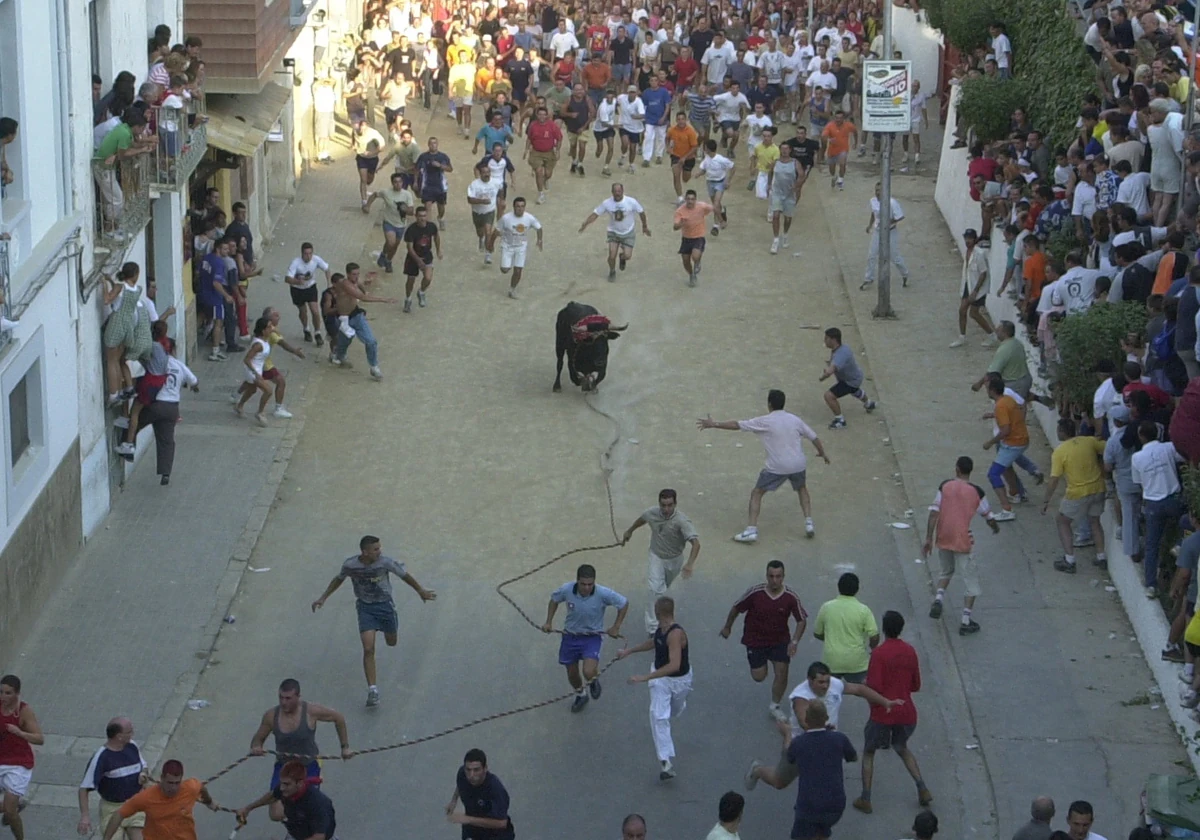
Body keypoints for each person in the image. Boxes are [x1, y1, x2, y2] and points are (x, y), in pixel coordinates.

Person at [311, 535, 437, 707]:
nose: (380, 551)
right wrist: (323, 598)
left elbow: (404, 575)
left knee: (391, 642)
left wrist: (420, 590)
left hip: (385, 606)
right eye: (376, 549)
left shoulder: (385, 563)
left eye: (379, 548)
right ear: (365, 552)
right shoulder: (350, 565)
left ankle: (387, 630)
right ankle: (373, 690)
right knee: (368, 648)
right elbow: (339, 579)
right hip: (365, 608)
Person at [697, 389, 830, 542]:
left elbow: (737, 425)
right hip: (798, 464)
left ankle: (751, 530)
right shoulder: (795, 419)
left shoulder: (765, 421)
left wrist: (714, 424)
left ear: (769, 404)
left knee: (757, 493)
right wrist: (822, 453)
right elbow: (814, 437)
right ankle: (809, 523)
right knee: (802, 489)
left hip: (778, 467)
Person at [852, 611, 932, 814]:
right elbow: (915, 685)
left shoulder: (879, 653)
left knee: (869, 752)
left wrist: (863, 685)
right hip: (906, 713)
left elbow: (875, 687)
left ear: (884, 629)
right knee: (902, 747)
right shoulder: (910, 651)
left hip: (882, 714)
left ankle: (866, 797)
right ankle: (922, 788)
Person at [248, 679, 352, 822]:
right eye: (281, 697)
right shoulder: (271, 716)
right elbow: (257, 739)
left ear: (298, 697)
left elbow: (338, 718)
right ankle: (296, 822)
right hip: (284, 768)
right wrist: (256, 747)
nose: (284, 702)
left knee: (308, 806)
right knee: (276, 814)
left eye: (288, 698)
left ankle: (301, 828)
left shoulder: (310, 711)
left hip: (308, 766)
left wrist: (345, 747)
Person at [720, 560, 807, 722]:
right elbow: (736, 608)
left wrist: (794, 641)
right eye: (771, 576)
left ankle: (775, 706)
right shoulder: (755, 593)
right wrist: (727, 627)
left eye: (778, 576)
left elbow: (801, 620)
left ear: (783, 577)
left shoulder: (790, 597)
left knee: (782, 672)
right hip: (755, 640)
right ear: (766, 576)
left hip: (779, 641)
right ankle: (762, 666)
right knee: (759, 676)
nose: (775, 580)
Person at [923, 456, 1001, 634]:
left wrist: (928, 538)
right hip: (963, 539)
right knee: (970, 581)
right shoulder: (977, 492)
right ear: (970, 471)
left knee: (946, 571)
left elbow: (934, 513)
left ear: (957, 469)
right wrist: (995, 528)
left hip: (943, 535)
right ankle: (966, 621)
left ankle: (939, 598)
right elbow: (988, 516)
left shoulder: (945, 486)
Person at [617, 596, 692, 781]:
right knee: (659, 716)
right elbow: (654, 642)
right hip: (661, 679)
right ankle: (665, 762)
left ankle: (679, 705)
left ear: (659, 613)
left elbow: (674, 665)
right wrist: (629, 651)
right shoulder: (662, 628)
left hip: (679, 681)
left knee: (674, 710)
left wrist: (645, 677)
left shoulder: (675, 634)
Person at [542, 563, 629, 712]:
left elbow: (623, 603)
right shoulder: (566, 590)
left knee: (588, 671)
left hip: (592, 637)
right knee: (572, 673)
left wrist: (616, 626)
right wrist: (548, 621)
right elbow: (554, 600)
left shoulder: (603, 593)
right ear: (577, 581)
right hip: (570, 636)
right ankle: (581, 694)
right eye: (583, 584)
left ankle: (593, 681)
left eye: (590, 584)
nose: (587, 588)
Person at [622, 489, 701, 635]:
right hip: (656, 556)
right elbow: (642, 519)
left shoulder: (682, 521)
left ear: (675, 504)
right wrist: (630, 531)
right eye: (663, 505)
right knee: (654, 590)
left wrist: (689, 564)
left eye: (670, 505)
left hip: (675, 560)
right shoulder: (652, 512)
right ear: (659, 503)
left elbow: (696, 543)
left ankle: (660, 615)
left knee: (662, 589)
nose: (666, 509)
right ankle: (653, 628)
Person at [1043, 418, 1108, 575]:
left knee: (1062, 521)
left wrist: (1046, 500)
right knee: (1095, 521)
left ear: (1062, 432)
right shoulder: (1089, 441)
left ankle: (1069, 560)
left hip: (1077, 493)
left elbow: (1054, 479)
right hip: (1098, 488)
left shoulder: (1060, 452)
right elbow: (1107, 448)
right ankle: (1101, 557)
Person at [786, 701, 857, 840]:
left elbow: (789, 757)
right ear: (826, 718)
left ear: (806, 719)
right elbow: (853, 757)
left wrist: (787, 733)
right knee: (822, 832)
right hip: (835, 805)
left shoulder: (799, 743)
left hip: (809, 806)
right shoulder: (839, 738)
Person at [102, 760, 218, 840]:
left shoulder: (190, 788)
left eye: (177, 783)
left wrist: (209, 802)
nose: (173, 788)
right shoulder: (146, 797)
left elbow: (201, 788)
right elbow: (119, 814)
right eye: (170, 782)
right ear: (161, 778)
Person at [78, 718, 148, 840]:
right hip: (112, 809)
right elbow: (84, 789)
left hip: (135, 804)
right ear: (119, 736)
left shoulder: (132, 746)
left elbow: (144, 767)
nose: (132, 734)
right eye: (129, 732)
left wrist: (143, 774)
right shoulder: (101, 757)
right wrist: (85, 816)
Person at [235, 759, 336, 840]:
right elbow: (272, 796)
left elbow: (319, 837)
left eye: (286, 784)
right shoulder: (286, 790)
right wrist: (248, 808)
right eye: (282, 783)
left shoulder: (317, 804)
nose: (282, 788)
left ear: (300, 783)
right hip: (297, 832)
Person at [578, 182, 651, 281]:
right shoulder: (607, 203)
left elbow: (641, 213)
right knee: (611, 256)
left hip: (628, 232)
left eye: (619, 191)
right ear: (612, 192)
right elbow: (595, 214)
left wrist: (645, 226)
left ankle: (622, 257)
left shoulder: (631, 202)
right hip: (613, 232)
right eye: (615, 191)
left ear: (623, 191)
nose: (617, 193)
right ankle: (612, 271)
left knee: (628, 256)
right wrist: (585, 223)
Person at [812, 573, 878, 683]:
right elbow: (874, 636)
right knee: (867, 692)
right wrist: (873, 648)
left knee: (828, 693)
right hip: (857, 662)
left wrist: (830, 638)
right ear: (857, 589)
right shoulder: (863, 610)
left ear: (838, 587)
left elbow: (817, 633)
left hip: (831, 661)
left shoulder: (827, 607)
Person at [0, 676, 40, 840]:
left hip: (18, 763)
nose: (3, 697)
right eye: (1, 692)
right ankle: (14, 804)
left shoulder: (23, 711)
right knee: (9, 807)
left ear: (17, 694)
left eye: (8, 693)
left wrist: (20, 733)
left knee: (10, 812)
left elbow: (39, 738)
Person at [445, 749, 515, 840]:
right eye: (468, 770)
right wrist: (453, 801)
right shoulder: (462, 774)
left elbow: (502, 823)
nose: (471, 775)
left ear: (485, 768)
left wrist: (467, 819)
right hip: (472, 829)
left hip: (495, 834)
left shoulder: (495, 788)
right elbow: (460, 784)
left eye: (476, 770)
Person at [819, 328, 875, 429]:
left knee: (829, 396)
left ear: (833, 340)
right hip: (854, 377)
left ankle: (840, 420)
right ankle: (868, 403)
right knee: (854, 391)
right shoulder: (843, 348)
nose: (824, 340)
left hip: (850, 381)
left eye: (826, 338)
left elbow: (831, 370)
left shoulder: (840, 354)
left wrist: (823, 377)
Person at [952, 229, 997, 348]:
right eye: (966, 238)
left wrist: (975, 291)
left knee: (974, 313)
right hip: (968, 284)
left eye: (970, 238)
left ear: (974, 239)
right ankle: (962, 337)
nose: (967, 241)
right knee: (962, 310)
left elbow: (983, 273)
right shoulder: (969, 251)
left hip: (977, 288)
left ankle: (992, 335)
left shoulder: (979, 253)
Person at [861, 181, 911, 289]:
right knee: (871, 255)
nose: (878, 193)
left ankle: (905, 274)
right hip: (878, 231)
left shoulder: (892, 203)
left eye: (880, 190)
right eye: (876, 190)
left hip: (890, 232)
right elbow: (874, 213)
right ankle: (868, 278)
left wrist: (888, 222)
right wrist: (870, 225)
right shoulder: (873, 201)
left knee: (894, 256)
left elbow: (900, 217)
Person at [366, 171, 416, 273]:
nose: (398, 184)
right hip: (389, 222)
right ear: (392, 183)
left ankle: (388, 260)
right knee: (391, 242)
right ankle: (384, 256)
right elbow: (375, 195)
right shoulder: (386, 192)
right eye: (395, 182)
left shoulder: (407, 195)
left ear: (402, 183)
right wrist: (367, 205)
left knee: (394, 246)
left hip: (401, 225)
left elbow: (411, 212)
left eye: (400, 182)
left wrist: (405, 209)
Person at [494, 197, 543, 298]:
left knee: (518, 271)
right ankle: (508, 263)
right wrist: (490, 244)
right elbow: (496, 230)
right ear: (514, 207)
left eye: (522, 206)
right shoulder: (506, 218)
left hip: (521, 247)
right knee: (504, 270)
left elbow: (539, 228)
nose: (520, 208)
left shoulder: (529, 218)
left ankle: (512, 290)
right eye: (518, 206)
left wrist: (539, 240)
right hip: (507, 246)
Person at [284, 243, 330, 346]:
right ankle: (306, 329)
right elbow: (287, 279)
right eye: (306, 254)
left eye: (310, 253)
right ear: (302, 253)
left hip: (310, 287)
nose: (308, 256)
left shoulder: (316, 259)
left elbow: (326, 268)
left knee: (315, 311)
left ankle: (317, 333)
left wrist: (329, 283)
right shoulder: (296, 263)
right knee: (303, 311)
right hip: (297, 290)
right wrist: (297, 281)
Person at [402, 204, 443, 313]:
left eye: (424, 216)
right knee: (410, 280)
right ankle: (408, 299)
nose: (422, 218)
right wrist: (418, 261)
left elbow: (436, 237)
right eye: (420, 216)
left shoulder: (431, 226)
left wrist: (438, 250)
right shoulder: (411, 230)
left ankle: (421, 292)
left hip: (426, 255)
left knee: (428, 278)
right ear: (416, 216)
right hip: (412, 258)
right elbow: (409, 248)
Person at [672, 189, 712, 287]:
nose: (690, 201)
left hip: (698, 236)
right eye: (688, 199)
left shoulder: (702, 206)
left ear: (695, 200)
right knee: (685, 261)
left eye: (692, 199)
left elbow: (712, 208)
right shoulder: (680, 211)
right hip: (686, 239)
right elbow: (675, 227)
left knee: (695, 256)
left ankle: (697, 262)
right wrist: (681, 224)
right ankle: (691, 274)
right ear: (685, 199)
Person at [768, 142, 801, 254]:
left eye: (786, 149)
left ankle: (785, 233)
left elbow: (801, 175)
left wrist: (796, 186)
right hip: (777, 192)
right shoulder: (775, 162)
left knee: (787, 218)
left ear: (790, 150)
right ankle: (776, 240)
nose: (784, 151)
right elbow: (770, 173)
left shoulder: (795, 163)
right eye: (782, 149)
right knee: (775, 215)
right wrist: (769, 185)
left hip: (789, 194)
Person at [467, 164, 504, 265]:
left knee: (488, 232)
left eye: (488, 172)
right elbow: (469, 199)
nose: (486, 174)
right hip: (477, 212)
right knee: (480, 232)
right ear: (480, 174)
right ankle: (481, 238)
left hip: (489, 211)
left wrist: (501, 200)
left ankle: (488, 254)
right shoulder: (474, 184)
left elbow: (501, 189)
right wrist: (482, 201)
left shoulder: (495, 182)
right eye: (484, 173)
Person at [416, 137, 453, 230]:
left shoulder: (443, 156)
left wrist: (440, 166)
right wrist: (415, 182)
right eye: (431, 143)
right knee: (427, 206)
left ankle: (440, 218)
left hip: (440, 186)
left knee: (441, 207)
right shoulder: (423, 156)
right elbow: (416, 169)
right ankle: (428, 227)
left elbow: (450, 169)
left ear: (437, 144)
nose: (433, 145)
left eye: (435, 143)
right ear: (428, 145)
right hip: (427, 186)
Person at [821, 109, 857, 190]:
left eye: (840, 118)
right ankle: (834, 177)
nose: (838, 119)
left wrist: (856, 142)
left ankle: (840, 180)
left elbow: (855, 132)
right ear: (834, 118)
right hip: (832, 151)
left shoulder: (848, 125)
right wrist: (829, 140)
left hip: (843, 149)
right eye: (837, 118)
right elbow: (823, 135)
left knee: (842, 163)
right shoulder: (830, 126)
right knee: (832, 170)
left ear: (843, 118)